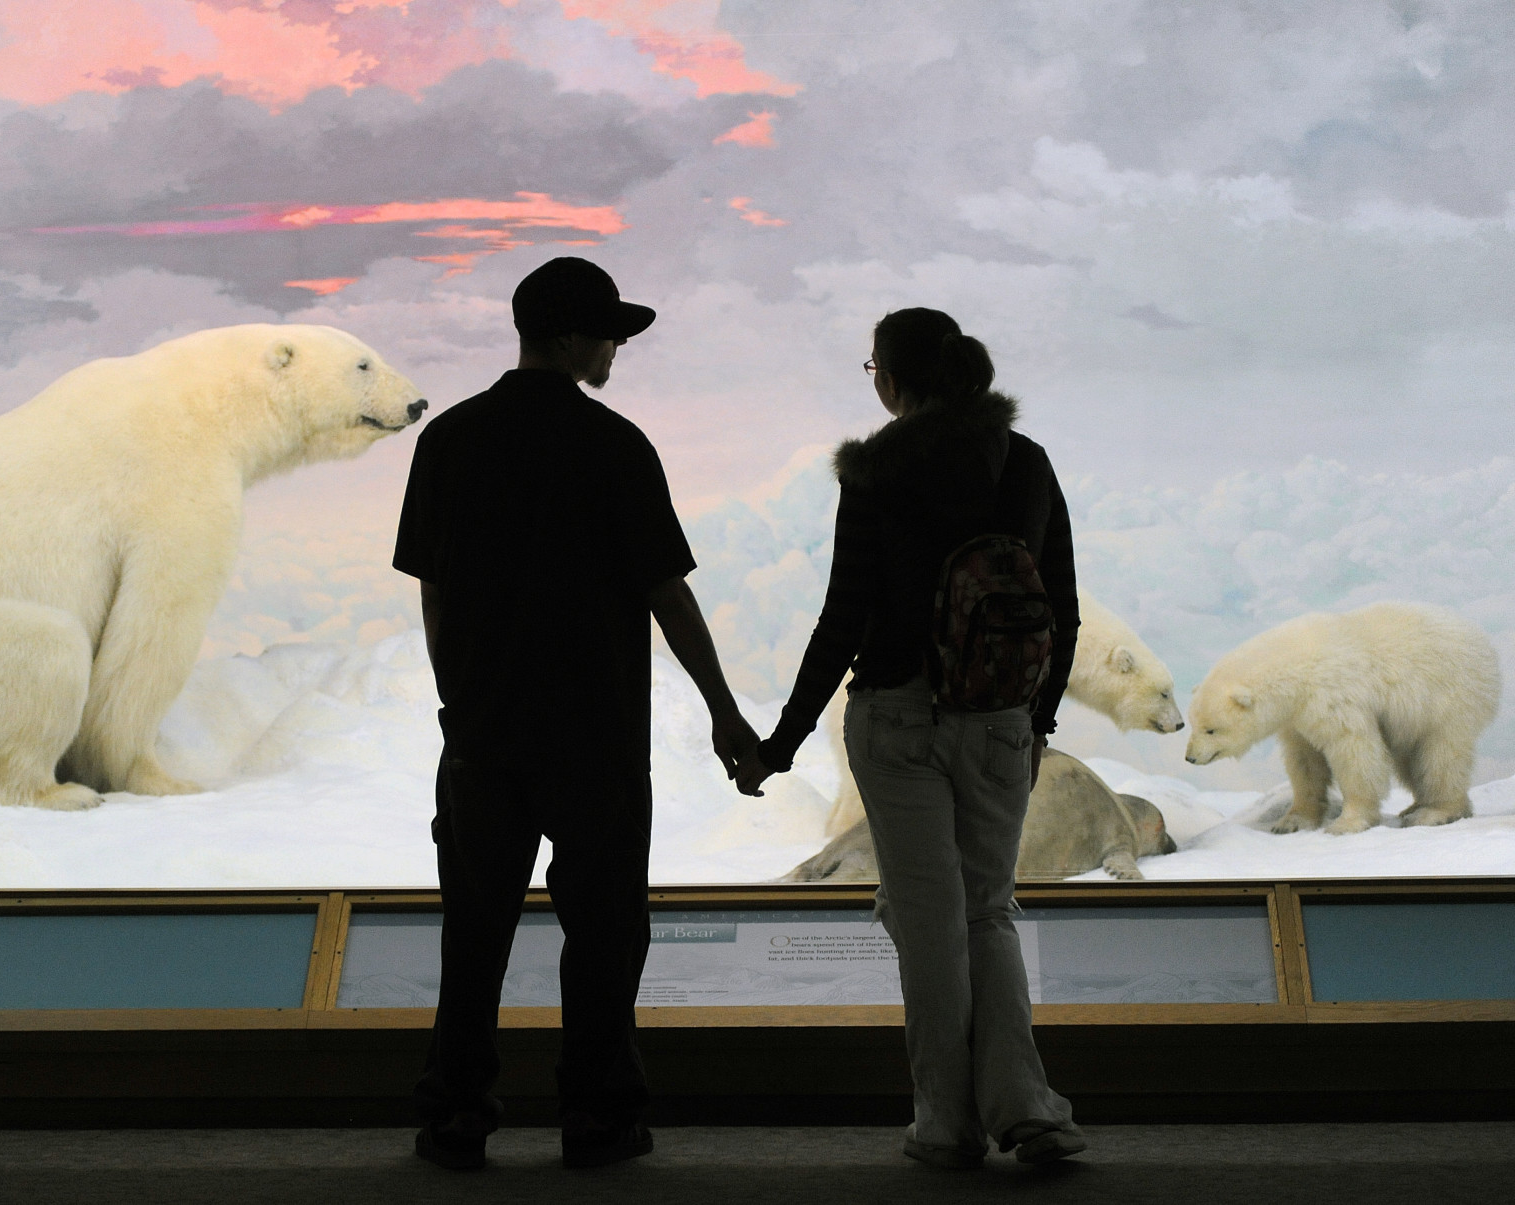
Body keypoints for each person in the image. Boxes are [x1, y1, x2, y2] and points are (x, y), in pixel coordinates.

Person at [394, 256, 758, 1171]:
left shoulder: (449, 441)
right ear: (567, 337)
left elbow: (434, 591)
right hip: (595, 739)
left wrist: (457, 697)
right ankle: (597, 1118)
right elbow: (664, 593)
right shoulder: (614, 445)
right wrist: (724, 711)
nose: (614, 349)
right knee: (604, 935)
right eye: (607, 334)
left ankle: (455, 1117)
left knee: (474, 932)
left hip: (482, 732)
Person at [734, 308, 1087, 1169]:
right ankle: (1027, 1104)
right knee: (988, 909)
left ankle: (946, 1121)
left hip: (898, 721)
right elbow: (1063, 608)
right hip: (999, 722)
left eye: (872, 369)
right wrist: (1034, 723)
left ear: (891, 378)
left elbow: (842, 616)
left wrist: (777, 743)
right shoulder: (1026, 462)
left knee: (928, 921)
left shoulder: (879, 473)